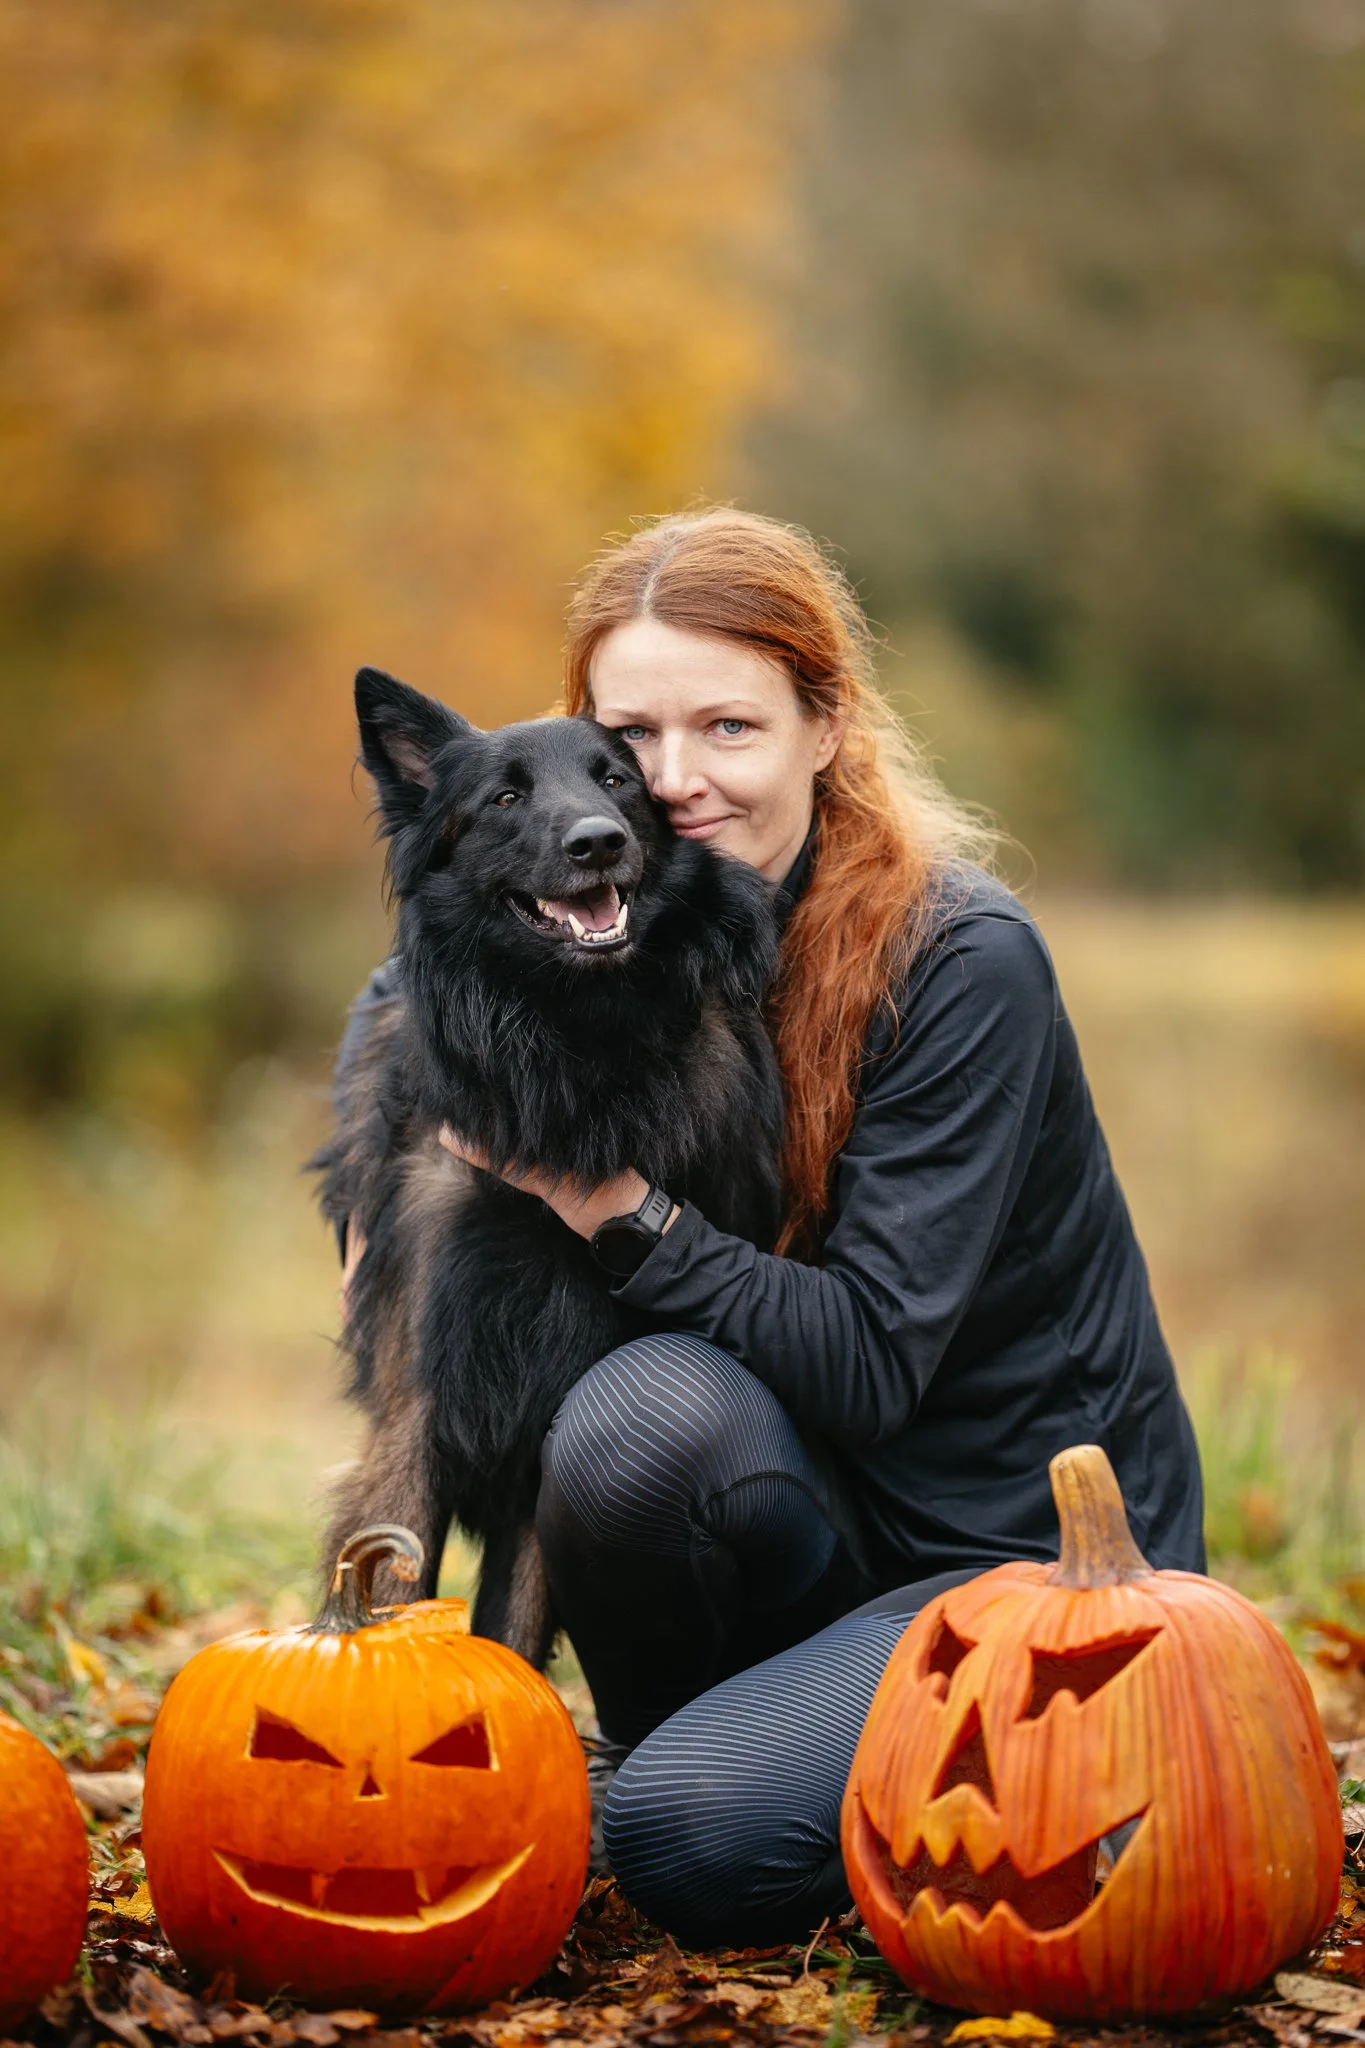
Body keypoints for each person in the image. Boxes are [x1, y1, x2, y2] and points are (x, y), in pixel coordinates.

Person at [340, 508, 1205, 1948]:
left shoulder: (960, 965)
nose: (672, 785)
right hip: (806, 1512)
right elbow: (414, 986)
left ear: (825, 727)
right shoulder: (619, 914)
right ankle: (688, 1744)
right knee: (632, 1416)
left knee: (682, 1837)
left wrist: (597, 1199)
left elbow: (871, 1362)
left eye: (730, 728)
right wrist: (383, 1188)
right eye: (634, 736)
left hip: (1017, 1570)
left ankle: (665, 1785)